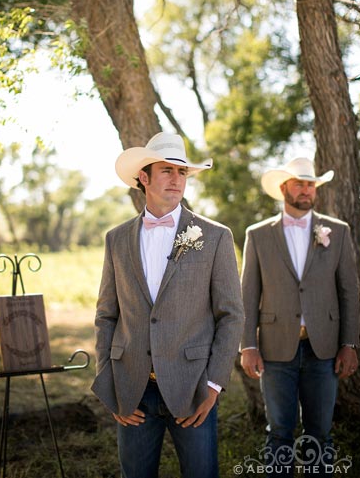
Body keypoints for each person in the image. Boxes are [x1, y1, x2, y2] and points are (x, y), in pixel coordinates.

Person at [91, 132, 245, 478]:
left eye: (182, 173)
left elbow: (232, 315)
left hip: (193, 388)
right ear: (143, 178)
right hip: (133, 389)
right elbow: (106, 315)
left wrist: (215, 385)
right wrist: (109, 383)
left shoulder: (215, 236)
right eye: (166, 171)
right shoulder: (116, 239)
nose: (177, 180)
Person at [240, 157, 359, 477]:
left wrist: (349, 343)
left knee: (320, 432)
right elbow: (248, 294)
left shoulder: (337, 231)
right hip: (275, 347)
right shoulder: (258, 234)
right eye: (299, 183)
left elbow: (349, 292)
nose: (306, 189)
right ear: (283, 188)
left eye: (311, 184)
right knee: (279, 431)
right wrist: (247, 345)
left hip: (324, 347)